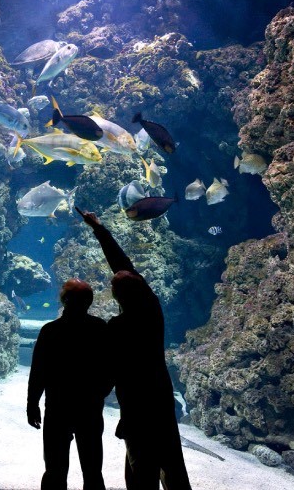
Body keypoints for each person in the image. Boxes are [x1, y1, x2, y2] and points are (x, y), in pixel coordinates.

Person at [76, 206, 192, 490]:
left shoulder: (116, 327)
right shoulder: (153, 311)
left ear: (116, 296)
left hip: (135, 401)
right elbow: (124, 266)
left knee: (140, 463)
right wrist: (99, 229)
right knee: (172, 459)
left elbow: (109, 370)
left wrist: (93, 396)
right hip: (161, 394)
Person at [27, 277, 114, 490]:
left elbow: (38, 372)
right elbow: (112, 367)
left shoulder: (50, 331)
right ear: (89, 301)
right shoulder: (100, 328)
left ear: (63, 300)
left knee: (54, 470)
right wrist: (100, 392)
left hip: (58, 408)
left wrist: (32, 404)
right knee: (93, 471)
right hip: (90, 408)